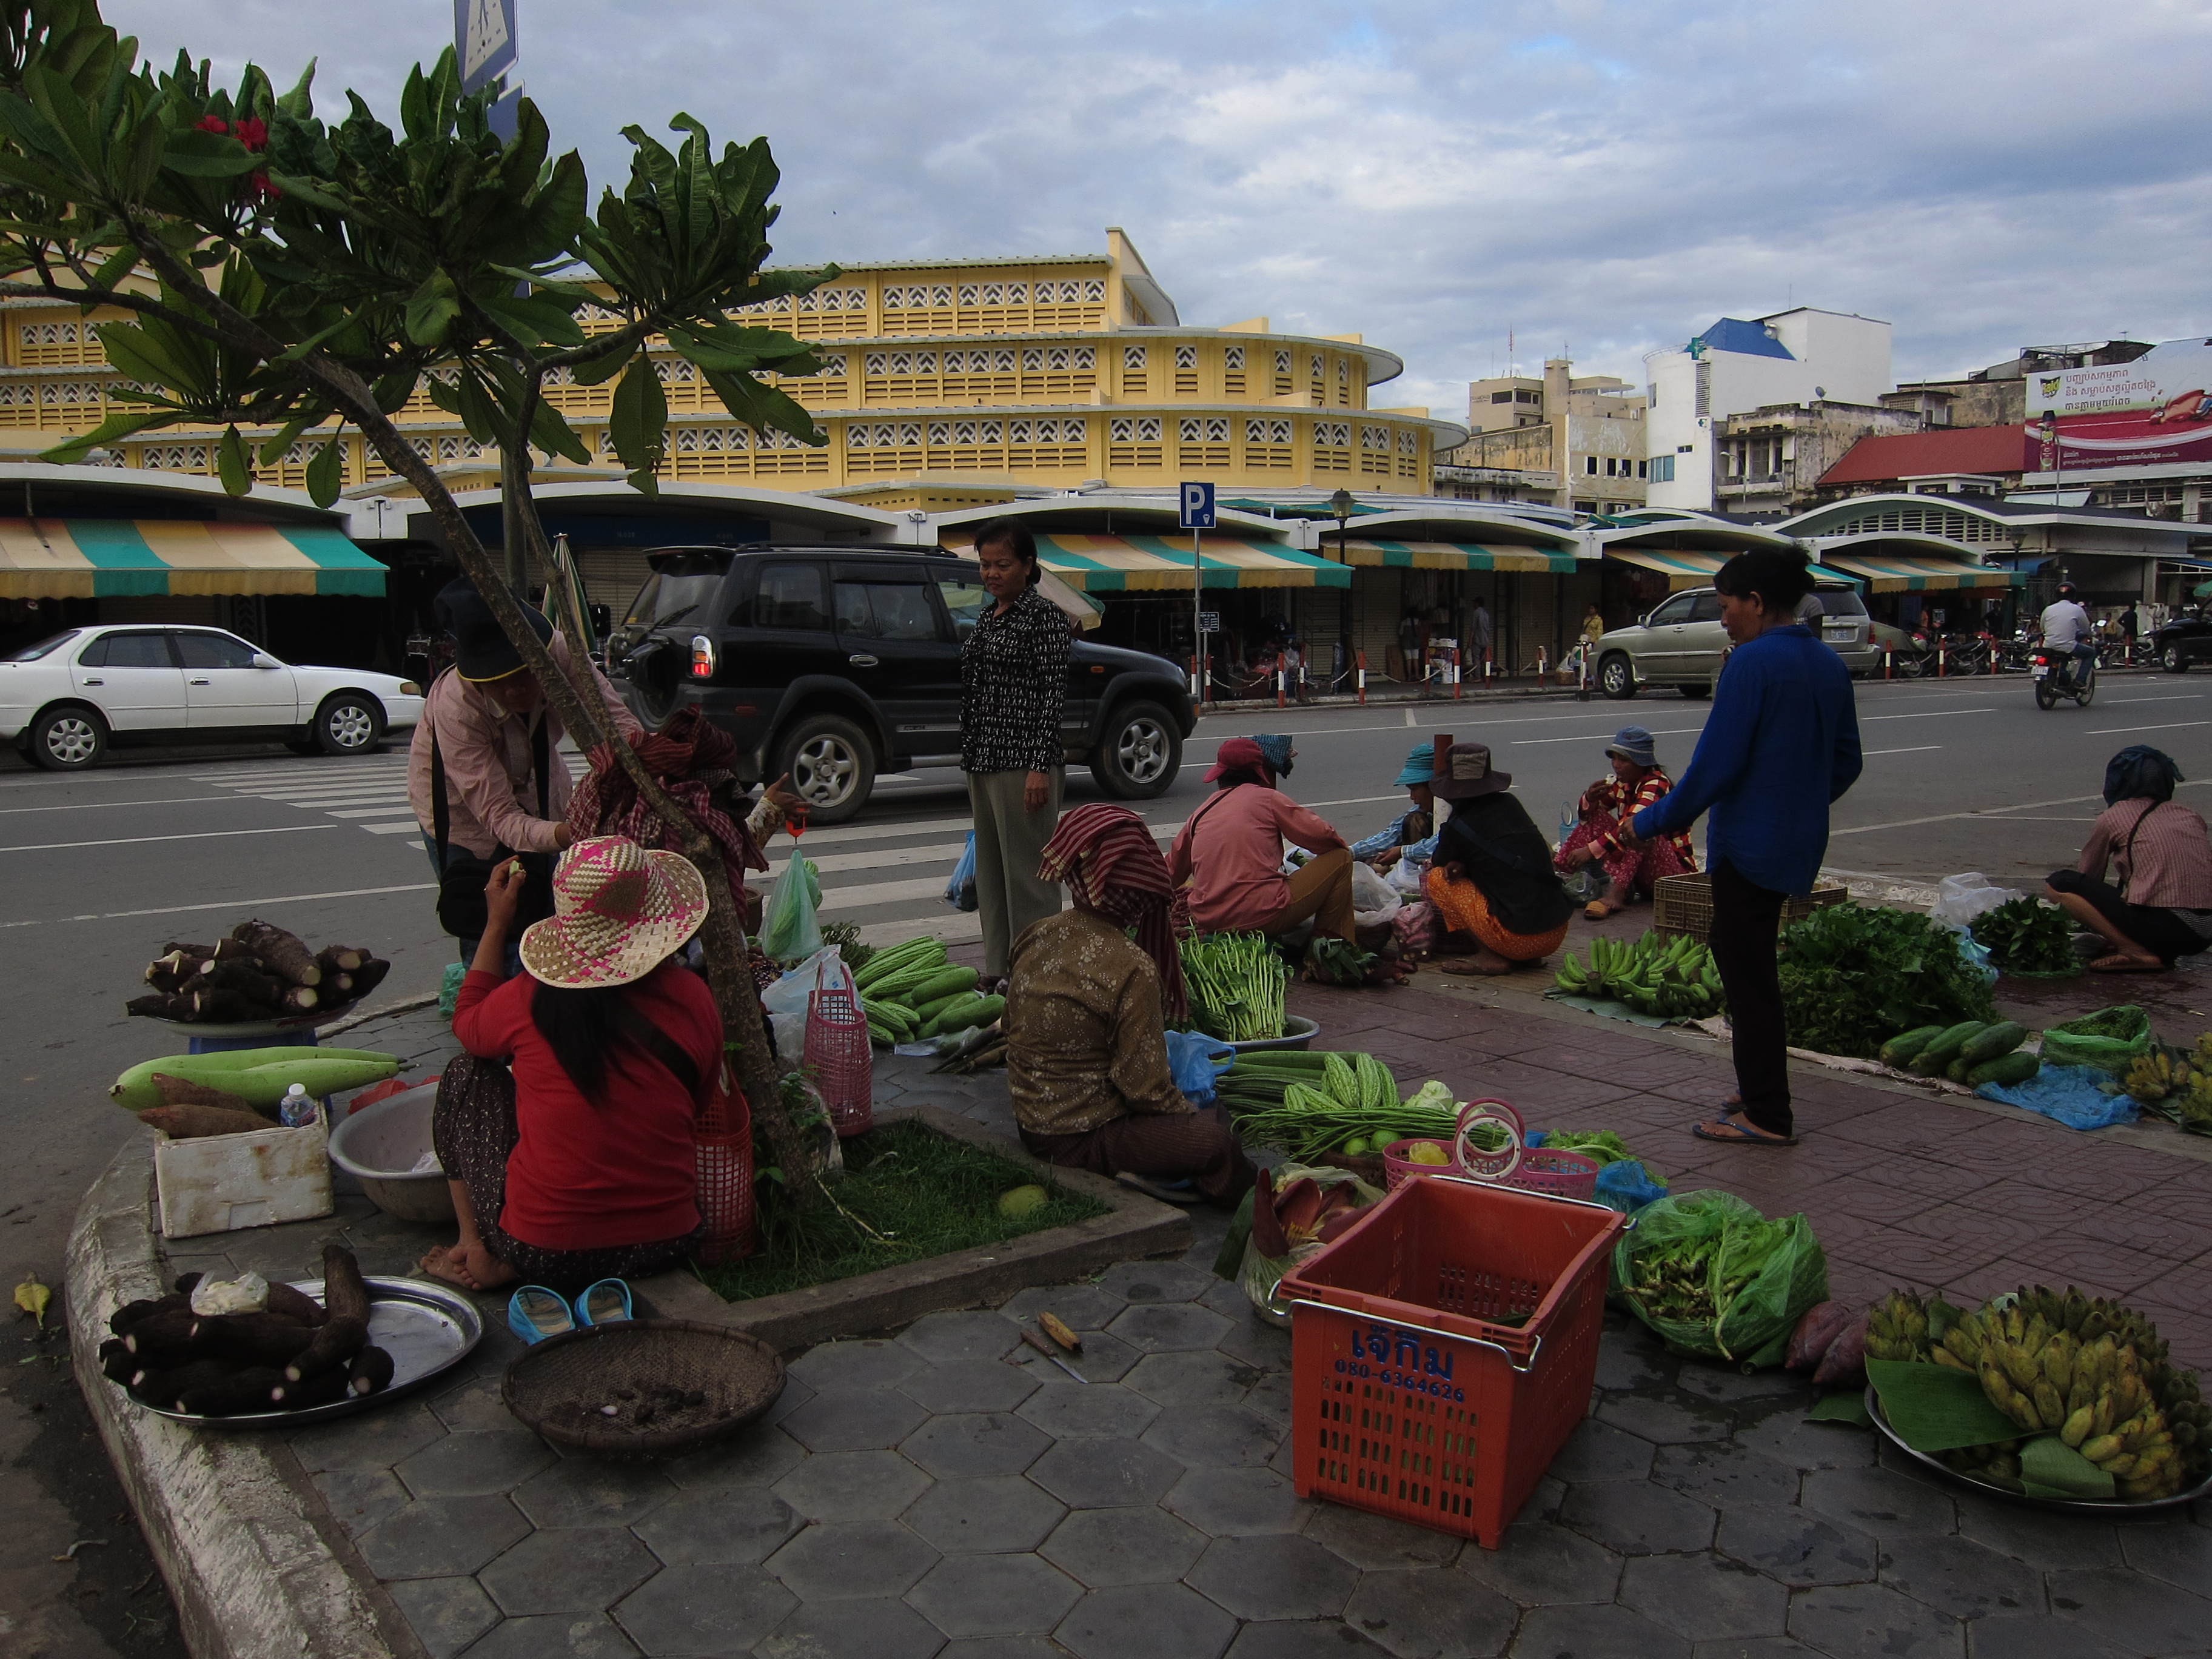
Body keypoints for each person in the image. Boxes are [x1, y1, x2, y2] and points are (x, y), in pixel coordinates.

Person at [1624, 548, 1862, 1147]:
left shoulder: (1752, 665)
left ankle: (1768, 1113)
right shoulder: (1828, 664)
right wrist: (1799, 801)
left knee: (1749, 972)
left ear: (1756, 603)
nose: (1724, 618)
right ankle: (1756, 1087)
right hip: (1795, 839)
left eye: (1727, 606)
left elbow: (1712, 770)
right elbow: (1846, 762)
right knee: (1743, 954)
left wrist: (1644, 824)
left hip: (1750, 843)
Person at [421, 837, 721, 1296]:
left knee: (468, 1073)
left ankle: (477, 1247)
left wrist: (496, 922)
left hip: (545, 1252)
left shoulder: (527, 997)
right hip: (669, 1241)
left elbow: (468, 1025)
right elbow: (697, 1107)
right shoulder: (694, 996)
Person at [1007, 805, 1258, 1205]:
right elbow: (1146, 1091)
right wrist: (1190, 1119)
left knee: (1209, 1115)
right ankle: (1250, 1202)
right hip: (1077, 1138)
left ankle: (1163, 1163)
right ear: (1137, 895)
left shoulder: (1039, 932)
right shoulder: (1132, 966)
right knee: (1216, 1140)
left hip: (1030, 1118)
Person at [409, 577, 642, 961]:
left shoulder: (561, 654)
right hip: (466, 817)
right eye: (500, 681)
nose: (517, 690)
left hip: (541, 791)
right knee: (487, 922)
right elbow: (499, 816)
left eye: (526, 672)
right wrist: (574, 834)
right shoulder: (456, 707)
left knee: (549, 911)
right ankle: (486, 1009)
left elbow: (619, 727)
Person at [961, 519, 1070, 991]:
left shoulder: (1044, 618)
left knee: (1030, 875)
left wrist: (1038, 766)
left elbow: (1052, 695)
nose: (992, 573)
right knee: (992, 873)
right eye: (985, 564)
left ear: (1028, 566)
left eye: (1002, 564)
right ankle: (1002, 969)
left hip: (1024, 762)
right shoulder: (989, 617)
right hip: (984, 759)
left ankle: (1039, 972)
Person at [1168, 736, 1354, 945]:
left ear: (1220, 775)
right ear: (1260, 773)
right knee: (1341, 858)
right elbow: (1324, 838)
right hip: (1262, 916)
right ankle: (1333, 952)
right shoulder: (1267, 798)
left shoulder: (1200, 813)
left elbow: (1172, 872)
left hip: (1211, 920)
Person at [2045, 746, 2212, 972]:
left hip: (2167, 925)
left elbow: (2089, 876)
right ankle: (2154, 952)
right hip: (2204, 932)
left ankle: (2132, 950)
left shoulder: (2115, 815)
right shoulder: (2189, 815)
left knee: (2061, 883)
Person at [1422, 738, 1575, 975]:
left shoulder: (1458, 825)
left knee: (1438, 879)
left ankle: (1491, 955)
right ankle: (1527, 957)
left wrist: (1460, 860)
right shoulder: (1510, 803)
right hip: (1555, 932)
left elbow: (1441, 861)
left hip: (1517, 938)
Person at [1556, 726, 1697, 919]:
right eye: (1614, 758)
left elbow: (1633, 825)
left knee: (1638, 829)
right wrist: (1590, 798)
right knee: (1598, 815)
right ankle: (1561, 870)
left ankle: (1617, 894)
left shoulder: (1657, 784)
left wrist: (1590, 850)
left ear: (1642, 763)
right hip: (1647, 876)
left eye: (1624, 760)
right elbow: (1589, 816)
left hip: (1674, 876)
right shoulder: (1623, 784)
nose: (1616, 765)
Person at [1349, 743, 1440, 870]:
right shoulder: (1421, 811)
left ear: (1433, 787)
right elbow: (1390, 836)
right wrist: (1350, 852)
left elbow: (1441, 843)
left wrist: (1402, 852)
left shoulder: (1456, 812)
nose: (1412, 797)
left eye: (1414, 789)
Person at [2041, 581, 2094, 689]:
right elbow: (2086, 628)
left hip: (2048, 645)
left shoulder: (2048, 609)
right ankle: (2080, 681)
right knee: (2091, 653)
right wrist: (2088, 634)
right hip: (2067, 646)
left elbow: (2043, 627)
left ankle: (2062, 678)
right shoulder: (2077, 609)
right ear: (2073, 595)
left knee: (2061, 656)